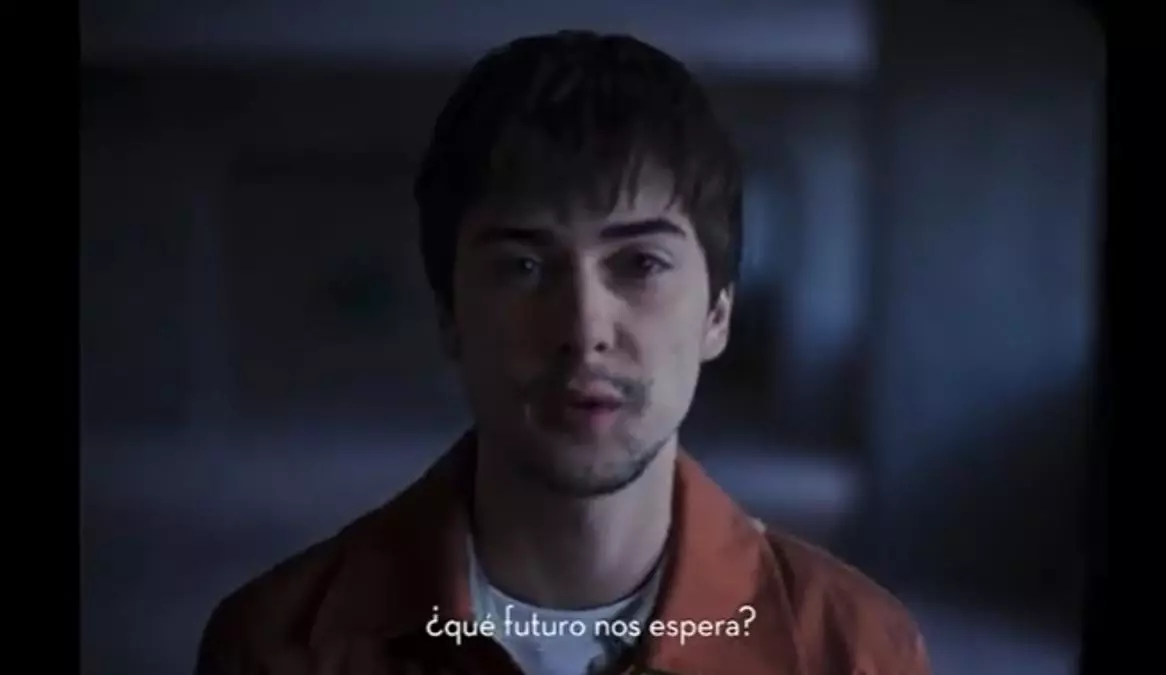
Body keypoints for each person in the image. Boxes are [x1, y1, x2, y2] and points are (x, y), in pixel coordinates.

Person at [195, 30, 931, 675]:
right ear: (449, 314)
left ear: (717, 314)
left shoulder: (853, 651)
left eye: (640, 264)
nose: (584, 328)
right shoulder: (278, 649)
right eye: (523, 266)